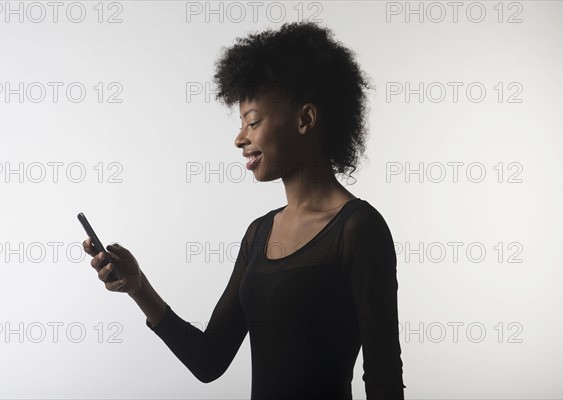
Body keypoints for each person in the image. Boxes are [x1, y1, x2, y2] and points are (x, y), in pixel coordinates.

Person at [83, 21, 406, 400]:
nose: (240, 138)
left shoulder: (359, 229)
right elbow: (209, 360)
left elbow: (383, 379)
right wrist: (138, 288)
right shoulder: (259, 234)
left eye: (253, 122)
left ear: (305, 119)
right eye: (241, 124)